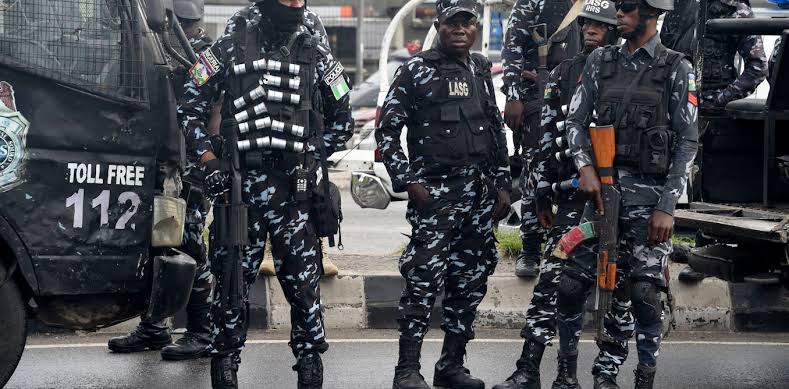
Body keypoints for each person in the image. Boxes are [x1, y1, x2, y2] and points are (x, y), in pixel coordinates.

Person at [177, 0, 354, 387]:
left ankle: (310, 365)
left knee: (304, 287)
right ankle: (225, 363)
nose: (293, 5)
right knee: (231, 285)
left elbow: (344, 118)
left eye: (299, 0)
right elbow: (189, 103)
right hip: (240, 189)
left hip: (296, 193)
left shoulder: (314, 49)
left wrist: (311, 153)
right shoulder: (231, 45)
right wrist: (210, 162)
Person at [558, 0, 698, 387]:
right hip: (601, 195)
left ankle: (639, 377)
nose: (617, 14)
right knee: (571, 284)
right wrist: (585, 167)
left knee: (643, 294)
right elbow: (575, 120)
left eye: (627, 8)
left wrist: (668, 206)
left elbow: (687, 143)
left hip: (649, 199)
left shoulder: (676, 68)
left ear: (652, 14)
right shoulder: (600, 61)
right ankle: (566, 375)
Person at [375, 1, 511, 388]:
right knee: (422, 280)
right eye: (453, 22)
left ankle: (451, 365)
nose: (460, 29)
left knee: (470, 281)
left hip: (479, 195)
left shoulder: (481, 68)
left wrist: (503, 183)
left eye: (468, 23)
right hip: (436, 194)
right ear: (438, 24)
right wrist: (408, 181)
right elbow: (387, 134)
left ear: (476, 28)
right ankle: (407, 370)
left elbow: (494, 127)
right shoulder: (416, 70)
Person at [493, 1, 625, 388]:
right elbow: (550, 138)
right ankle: (531, 369)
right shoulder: (566, 72)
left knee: (621, 291)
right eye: (586, 25)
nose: (589, 31)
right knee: (553, 280)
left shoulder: (634, 71)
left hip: (620, 200)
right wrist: (540, 194)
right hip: (572, 196)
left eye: (599, 26)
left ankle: (606, 375)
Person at [108, 0, 215, 361]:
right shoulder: (163, 49)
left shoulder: (202, 58)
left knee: (188, 246)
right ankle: (155, 327)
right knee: (159, 245)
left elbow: (206, 113)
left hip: (189, 168)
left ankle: (203, 332)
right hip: (162, 163)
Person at [502, 0, 583, 278]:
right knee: (536, 172)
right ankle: (530, 249)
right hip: (538, 96)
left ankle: (571, 245)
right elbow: (512, 48)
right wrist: (513, 96)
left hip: (581, 93)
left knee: (578, 171)